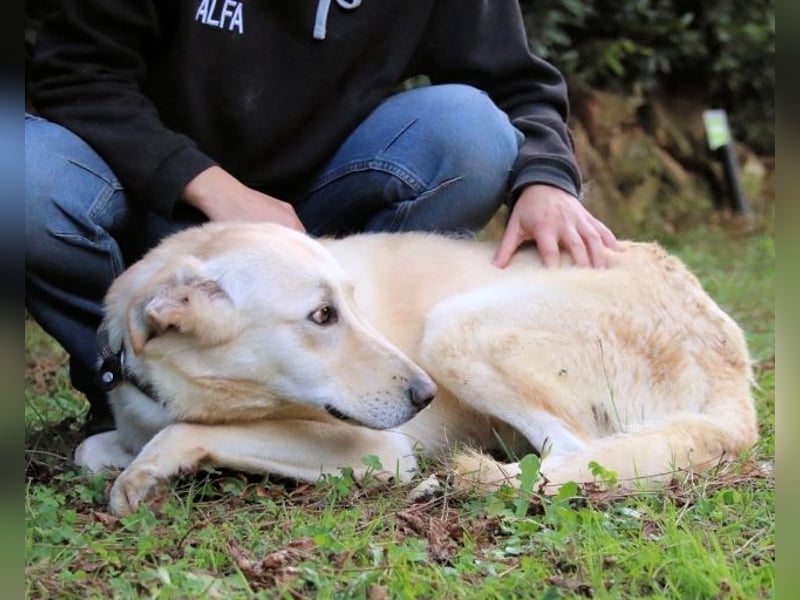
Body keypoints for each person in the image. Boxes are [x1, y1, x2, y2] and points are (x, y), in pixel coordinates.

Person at [26, 0, 619, 435]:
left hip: (319, 225)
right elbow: (75, 71)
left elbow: (516, 81)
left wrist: (546, 175)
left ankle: (350, 384)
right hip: (155, 211)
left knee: (471, 132)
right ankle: (128, 389)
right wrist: (207, 185)